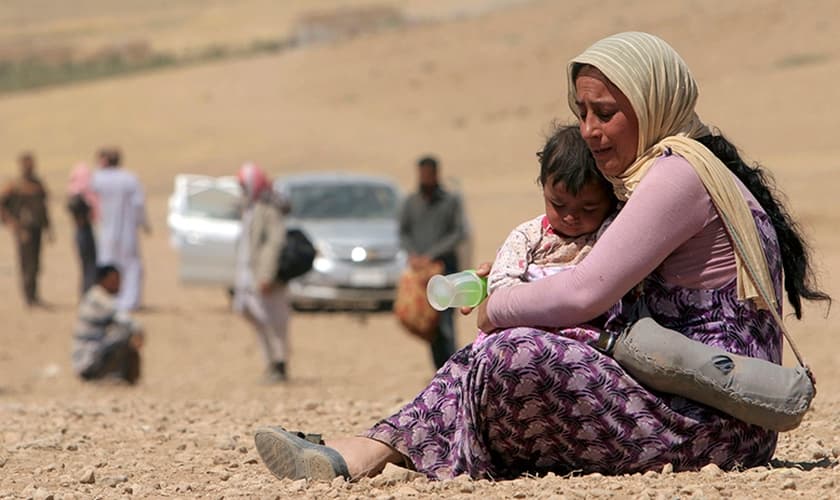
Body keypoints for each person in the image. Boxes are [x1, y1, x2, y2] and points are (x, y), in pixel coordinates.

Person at [253, 32, 831, 481]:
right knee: (511, 354)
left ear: (653, 101)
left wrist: (499, 305)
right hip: (687, 398)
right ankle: (368, 452)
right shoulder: (685, 168)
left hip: (712, 420)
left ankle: (367, 452)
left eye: (606, 112)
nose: (591, 131)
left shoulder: (678, 175)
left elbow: (585, 294)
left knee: (512, 352)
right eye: (583, 113)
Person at [476, 124, 616, 347]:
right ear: (543, 189)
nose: (571, 217)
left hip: (585, 336)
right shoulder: (527, 236)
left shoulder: (610, 233)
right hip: (522, 328)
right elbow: (502, 283)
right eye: (558, 204)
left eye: (588, 209)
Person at [398, 155, 465, 369]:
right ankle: (439, 371)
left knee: (446, 323)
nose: (425, 177)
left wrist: (432, 255)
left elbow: (458, 233)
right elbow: (403, 233)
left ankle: (453, 369)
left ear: (436, 174)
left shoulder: (450, 201)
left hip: (445, 271)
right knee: (428, 324)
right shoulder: (411, 202)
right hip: (420, 274)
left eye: (429, 173)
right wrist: (414, 255)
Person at [233, 163, 291, 383]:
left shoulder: (268, 208)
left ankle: (279, 364)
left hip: (265, 278)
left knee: (275, 322)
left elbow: (274, 243)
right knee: (252, 315)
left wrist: (266, 275)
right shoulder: (250, 207)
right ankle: (270, 362)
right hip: (247, 277)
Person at [91, 148, 150, 312]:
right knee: (131, 265)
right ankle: (130, 301)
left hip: (106, 231)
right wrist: (144, 224)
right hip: (127, 231)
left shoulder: (98, 179)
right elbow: (139, 205)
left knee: (107, 265)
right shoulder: (130, 179)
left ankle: (106, 301)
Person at [72, 264, 144, 384]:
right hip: (86, 360)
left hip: (92, 355)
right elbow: (126, 321)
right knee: (124, 334)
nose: (119, 285)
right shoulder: (98, 298)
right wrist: (139, 332)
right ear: (103, 281)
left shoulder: (97, 296)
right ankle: (109, 375)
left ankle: (115, 375)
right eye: (115, 280)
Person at [0, 152, 54, 307]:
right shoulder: (14, 185)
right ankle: (29, 298)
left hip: (37, 229)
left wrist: (49, 228)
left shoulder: (37, 183)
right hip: (24, 230)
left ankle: (34, 295)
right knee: (27, 264)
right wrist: (12, 224)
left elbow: (43, 207)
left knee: (36, 264)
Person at [67, 163, 98, 296]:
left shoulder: (74, 194)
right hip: (83, 232)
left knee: (88, 265)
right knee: (89, 265)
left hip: (82, 232)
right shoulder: (79, 197)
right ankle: (88, 293)